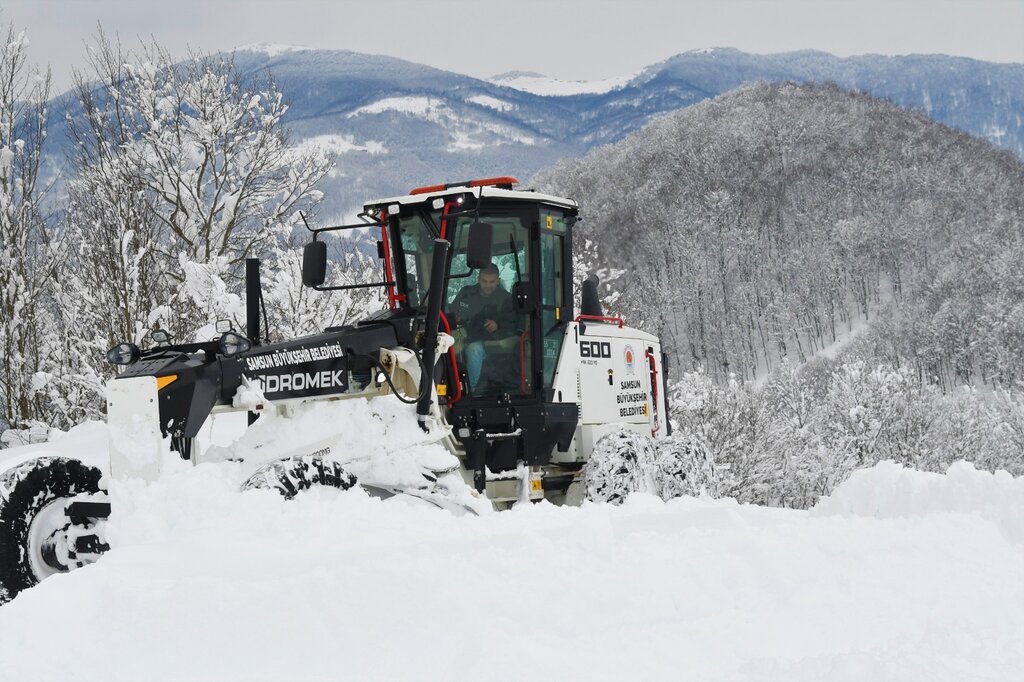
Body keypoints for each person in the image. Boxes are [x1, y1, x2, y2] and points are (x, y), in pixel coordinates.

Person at [451, 263, 516, 393]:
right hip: (463, 335)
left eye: (492, 282)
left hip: (490, 341)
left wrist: (498, 325)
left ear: (498, 281)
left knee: (474, 350)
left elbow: (513, 323)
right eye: (484, 281)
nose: (488, 285)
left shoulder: (506, 299)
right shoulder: (466, 293)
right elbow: (452, 311)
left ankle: (470, 390)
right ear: (478, 279)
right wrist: (456, 318)